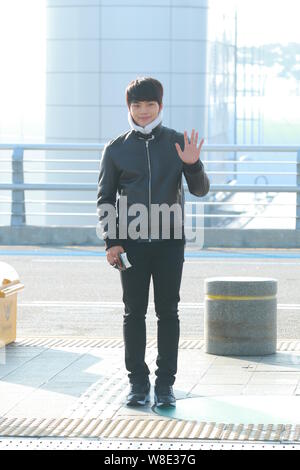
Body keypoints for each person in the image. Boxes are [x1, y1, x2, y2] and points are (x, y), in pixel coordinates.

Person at [97, 77, 210, 407]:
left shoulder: (177, 142)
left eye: (149, 105)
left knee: (168, 313)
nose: (143, 111)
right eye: (136, 105)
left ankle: (164, 386)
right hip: (131, 246)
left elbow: (201, 189)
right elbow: (105, 198)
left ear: (160, 106)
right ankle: (137, 383)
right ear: (129, 108)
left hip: (169, 243)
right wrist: (111, 242)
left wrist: (193, 165)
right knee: (133, 313)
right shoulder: (116, 148)